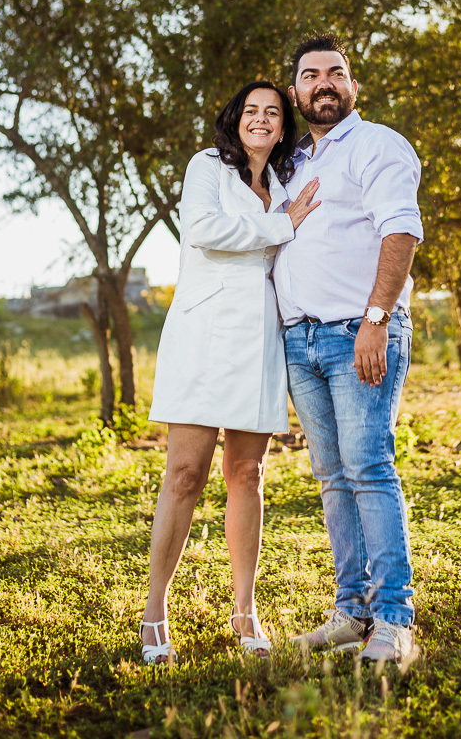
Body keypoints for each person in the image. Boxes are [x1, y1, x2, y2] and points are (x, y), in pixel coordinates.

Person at [141, 81, 320, 663]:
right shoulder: (207, 167)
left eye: (273, 112)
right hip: (203, 335)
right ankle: (155, 611)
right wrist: (281, 225)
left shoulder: (287, 186)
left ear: (283, 126)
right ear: (236, 118)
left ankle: (245, 611)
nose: (261, 119)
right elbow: (204, 232)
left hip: (261, 339)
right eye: (251, 110)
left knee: (247, 474)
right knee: (184, 475)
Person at [273, 33, 424, 670]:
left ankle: (393, 620)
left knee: (368, 469)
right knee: (333, 477)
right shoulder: (289, 163)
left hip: (356, 334)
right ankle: (351, 611)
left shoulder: (377, 145)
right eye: (311, 76)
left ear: (353, 86)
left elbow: (401, 230)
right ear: (296, 92)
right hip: (300, 340)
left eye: (335, 73)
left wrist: (376, 320)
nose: (324, 84)